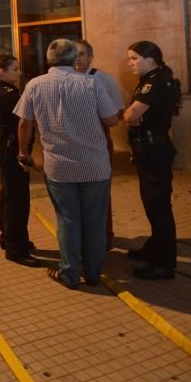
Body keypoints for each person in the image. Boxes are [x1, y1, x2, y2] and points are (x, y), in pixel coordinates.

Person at [14, 39, 120, 289]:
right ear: (74, 59)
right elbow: (112, 120)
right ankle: (93, 274)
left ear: (49, 59)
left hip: (59, 167)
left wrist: (23, 152)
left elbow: (24, 123)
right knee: (94, 220)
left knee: (67, 220)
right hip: (94, 165)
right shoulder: (92, 84)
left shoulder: (34, 85)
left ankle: (70, 274)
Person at [123, 40, 182, 281]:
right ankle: (153, 249)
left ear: (151, 59)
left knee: (158, 208)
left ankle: (164, 264)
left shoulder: (153, 82)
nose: (130, 64)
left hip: (154, 151)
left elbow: (132, 114)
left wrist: (132, 116)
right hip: (151, 150)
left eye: (134, 59)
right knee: (152, 204)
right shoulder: (155, 78)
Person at [0, 55, 41, 267]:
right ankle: (15, 248)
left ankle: (11, 238)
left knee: (9, 194)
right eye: (15, 69)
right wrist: (23, 152)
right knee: (17, 198)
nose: (19, 72)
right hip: (11, 148)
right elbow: (23, 123)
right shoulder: (9, 94)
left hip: (4, 144)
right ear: (1, 71)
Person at [74, 40, 124, 249]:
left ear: (91, 56)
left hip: (98, 141)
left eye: (82, 54)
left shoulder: (104, 80)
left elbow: (117, 112)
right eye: (73, 54)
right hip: (72, 143)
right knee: (74, 194)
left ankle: (104, 236)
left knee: (100, 191)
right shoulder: (63, 79)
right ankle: (79, 237)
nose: (78, 58)